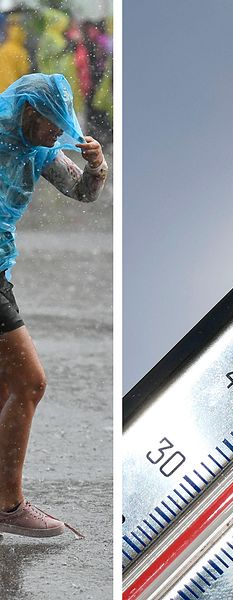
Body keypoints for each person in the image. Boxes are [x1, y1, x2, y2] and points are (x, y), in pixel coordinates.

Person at [0, 73, 107, 537]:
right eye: (50, 125)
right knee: (30, 382)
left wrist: (97, 167)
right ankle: (7, 505)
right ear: (28, 111)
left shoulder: (38, 149)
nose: (56, 134)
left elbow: (82, 192)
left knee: (6, 386)